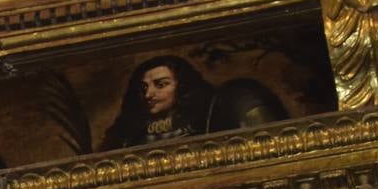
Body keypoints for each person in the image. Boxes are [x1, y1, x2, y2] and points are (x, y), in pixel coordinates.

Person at [101, 55, 288, 150]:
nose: (149, 94)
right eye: (143, 88)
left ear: (182, 86)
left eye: (161, 84)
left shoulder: (209, 117)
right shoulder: (127, 135)